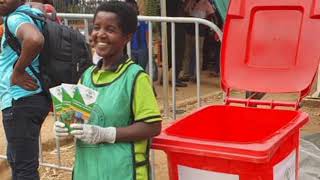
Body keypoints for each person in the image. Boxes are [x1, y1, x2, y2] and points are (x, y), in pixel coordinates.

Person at [54, 2, 162, 180]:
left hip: (122, 172)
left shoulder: (135, 77)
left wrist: (106, 134)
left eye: (110, 29)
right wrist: (64, 128)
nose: (100, 34)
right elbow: (77, 120)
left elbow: (152, 126)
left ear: (127, 37)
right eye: (97, 27)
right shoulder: (87, 76)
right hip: (86, 172)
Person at [0, 0, 51, 179]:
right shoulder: (32, 12)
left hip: (20, 100)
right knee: (18, 161)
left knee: (23, 169)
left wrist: (18, 72)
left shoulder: (15, 19)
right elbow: (38, 5)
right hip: (34, 98)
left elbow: (34, 39)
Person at [181, 0, 215, 82]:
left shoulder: (205, 3)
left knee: (198, 53)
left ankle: (197, 76)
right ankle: (186, 74)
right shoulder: (191, 2)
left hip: (200, 30)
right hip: (189, 29)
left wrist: (205, 23)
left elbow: (211, 14)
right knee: (187, 53)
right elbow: (185, 11)